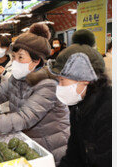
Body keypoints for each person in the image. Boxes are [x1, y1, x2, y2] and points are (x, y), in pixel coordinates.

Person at [0, 23, 70, 165]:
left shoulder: (48, 84)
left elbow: (23, 118)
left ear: (36, 60)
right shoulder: (18, 78)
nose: (15, 62)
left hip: (52, 150)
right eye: (14, 57)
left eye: (20, 58)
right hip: (31, 145)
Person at [47, 29, 112, 167]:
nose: (59, 86)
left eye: (63, 80)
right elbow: (74, 154)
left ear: (85, 79)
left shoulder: (108, 112)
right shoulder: (79, 106)